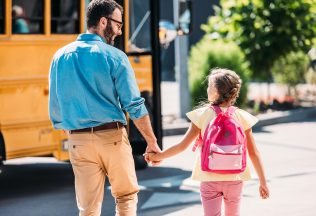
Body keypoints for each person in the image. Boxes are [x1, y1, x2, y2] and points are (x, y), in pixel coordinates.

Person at [48, 0, 161, 215]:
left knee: (88, 208)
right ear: (103, 22)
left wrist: (73, 132)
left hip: (78, 141)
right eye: (118, 25)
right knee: (126, 198)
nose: (119, 31)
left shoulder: (60, 56)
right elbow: (134, 105)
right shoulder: (115, 56)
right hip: (112, 137)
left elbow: (56, 105)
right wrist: (151, 141)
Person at [146, 68, 270, 216]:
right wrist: (263, 182)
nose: (207, 89)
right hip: (235, 179)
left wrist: (157, 156)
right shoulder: (241, 117)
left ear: (216, 91)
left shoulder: (202, 115)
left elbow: (182, 146)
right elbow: (254, 153)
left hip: (209, 178)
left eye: (210, 85)